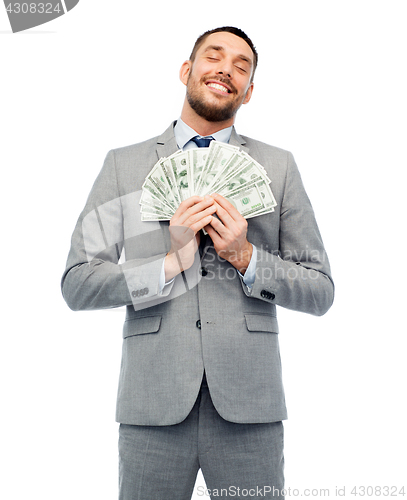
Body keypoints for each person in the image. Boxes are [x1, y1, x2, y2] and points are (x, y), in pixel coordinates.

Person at [62, 26, 334, 500]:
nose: (226, 68)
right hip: (152, 405)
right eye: (214, 56)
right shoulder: (124, 166)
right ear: (187, 71)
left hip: (251, 408)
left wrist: (245, 256)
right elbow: (78, 283)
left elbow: (320, 290)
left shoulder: (278, 167)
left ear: (248, 93)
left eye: (241, 65)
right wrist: (171, 262)